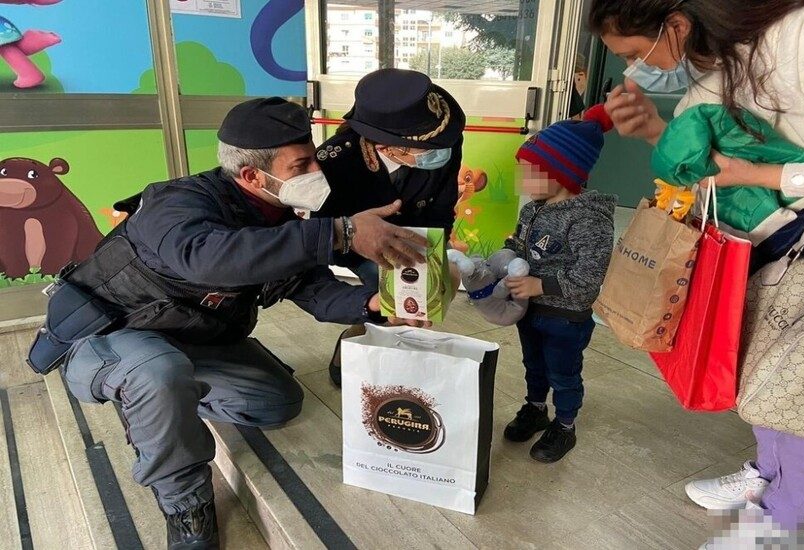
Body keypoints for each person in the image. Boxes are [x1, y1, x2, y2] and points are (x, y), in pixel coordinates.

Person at [50, 97, 430, 549]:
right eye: (302, 164)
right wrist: (342, 232)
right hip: (109, 335)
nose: (316, 172)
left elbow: (309, 286)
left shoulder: (279, 211)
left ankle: (166, 402)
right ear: (252, 174)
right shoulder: (176, 204)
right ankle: (184, 503)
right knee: (156, 373)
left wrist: (371, 304)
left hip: (190, 340)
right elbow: (206, 259)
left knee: (275, 403)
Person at [589, 0, 804, 542]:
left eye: (637, 54)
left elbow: (744, 169)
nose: (638, 70)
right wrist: (658, 131)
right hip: (779, 241)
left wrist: (764, 172)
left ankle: (783, 516)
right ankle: (770, 476)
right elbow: (710, 167)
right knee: (764, 364)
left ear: (677, 25)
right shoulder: (716, 64)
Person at [315, 68, 466, 387]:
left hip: (418, 237)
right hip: (360, 246)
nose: (442, 151)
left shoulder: (442, 140)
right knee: (393, 299)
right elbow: (323, 232)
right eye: (427, 149)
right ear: (387, 147)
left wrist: (436, 254)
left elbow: (442, 204)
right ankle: (356, 338)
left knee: (437, 288)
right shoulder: (336, 161)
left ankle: (395, 347)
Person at [501, 105, 617, 463]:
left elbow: (589, 276)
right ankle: (536, 408)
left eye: (530, 173)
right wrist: (505, 255)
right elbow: (520, 245)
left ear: (561, 174)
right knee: (533, 365)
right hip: (529, 312)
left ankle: (565, 425)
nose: (523, 181)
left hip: (565, 318)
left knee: (563, 374)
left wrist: (540, 285)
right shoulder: (532, 209)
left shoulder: (588, 219)